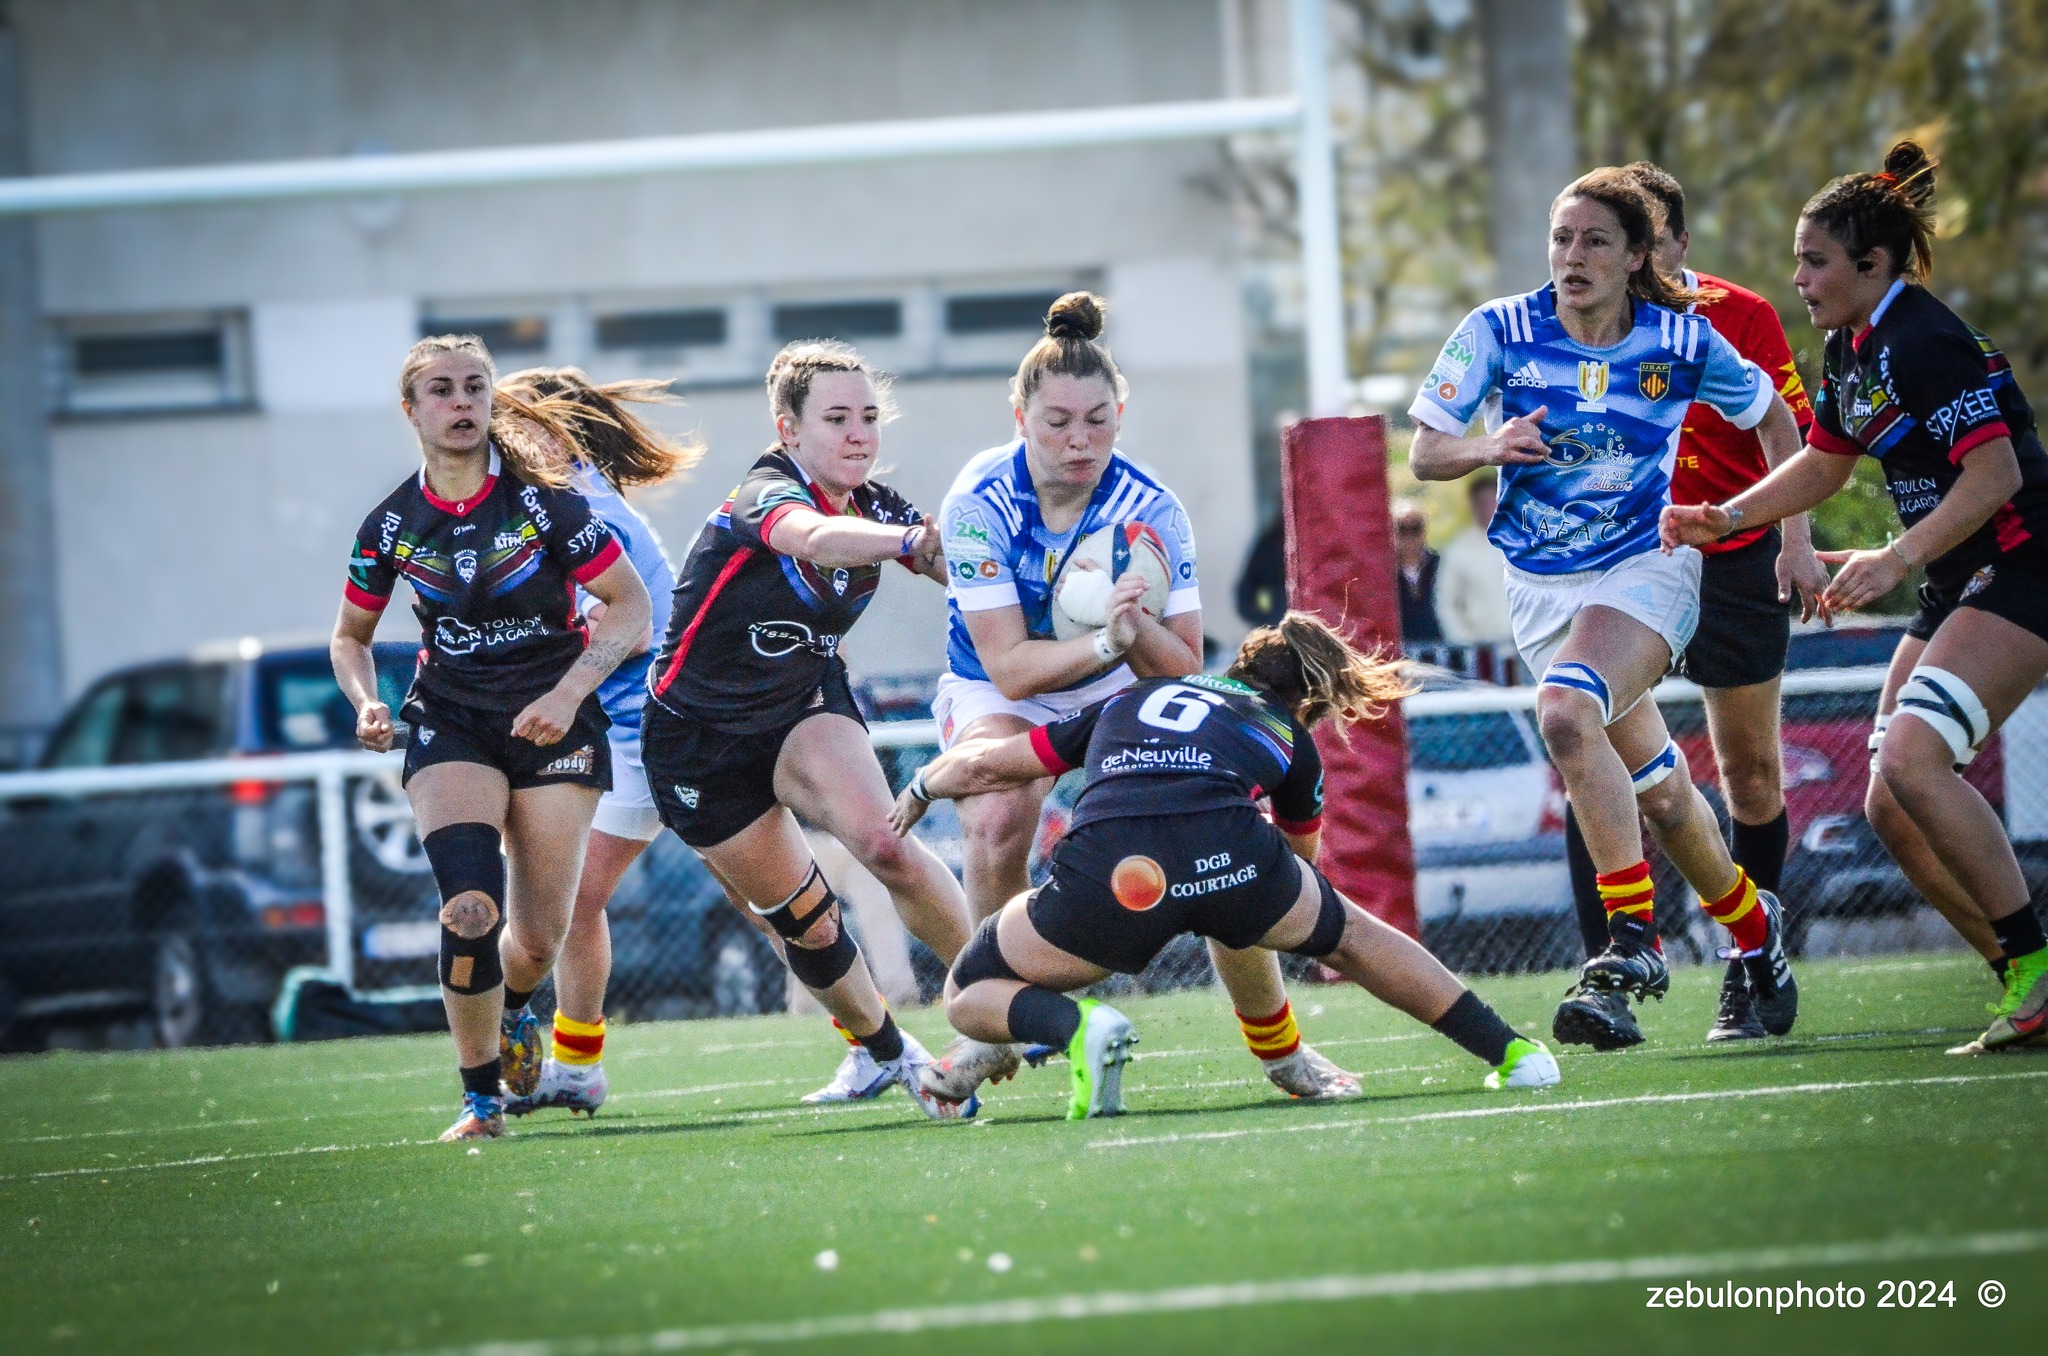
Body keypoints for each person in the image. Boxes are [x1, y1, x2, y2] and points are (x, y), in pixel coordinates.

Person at [1407, 167, 1808, 1049]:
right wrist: (1491, 446)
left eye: (1593, 241)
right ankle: (1756, 932)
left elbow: (1780, 423)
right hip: (1539, 590)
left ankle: (1632, 938)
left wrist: (1794, 538)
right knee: (1664, 797)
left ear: (1636, 256)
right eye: (1560, 238)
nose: (1571, 257)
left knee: (1564, 711)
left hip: (1646, 569)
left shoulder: (1682, 340)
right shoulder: (1496, 330)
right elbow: (1426, 454)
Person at [1662, 141, 2048, 1054]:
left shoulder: (1922, 338)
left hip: (2025, 567)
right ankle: (2022, 980)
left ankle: (2035, 968)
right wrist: (1728, 516)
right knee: (1889, 801)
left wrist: (1895, 556)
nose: (1797, 276)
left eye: (1815, 260)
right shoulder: (1854, 344)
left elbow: (1993, 475)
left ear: (1872, 265)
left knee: (1915, 762)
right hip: (1964, 578)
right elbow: (1825, 462)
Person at [929, 291, 1359, 1102]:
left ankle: (1281, 1050)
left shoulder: (1151, 507)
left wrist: (1132, 629)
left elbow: (1183, 661)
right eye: (1057, 420)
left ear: (1120, 413)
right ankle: (996, 1015)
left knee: (1226, 843)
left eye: (1097, 419)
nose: (1079, 439)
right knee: (995, 812)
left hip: (1123, 688)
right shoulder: (978, 502)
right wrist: (1107, 639)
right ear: (1017, 413)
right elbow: (1013, 670)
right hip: (999, 683)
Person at [892, 612, 1560, 1117]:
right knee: (1348, 934)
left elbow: (986, 764)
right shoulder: (1287, 733)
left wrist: (921, 789)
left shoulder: (1126, 700)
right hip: (1233, 859)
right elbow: (1300, 866)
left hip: (1114, 878)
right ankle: (1513, 1053)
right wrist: (1236, 878)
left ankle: (1077, 1027)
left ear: (1239, 664)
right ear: (1307, 700)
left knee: (969, 988)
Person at [638, 339, 977, 1120]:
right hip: (697, 739)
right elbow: (817, 540)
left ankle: (1006, 993)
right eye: (835, 419)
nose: (859, 434)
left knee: (885, 841)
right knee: (807, 922)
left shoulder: (879, 507)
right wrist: (908, 544)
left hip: (801, 710)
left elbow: (963, 569)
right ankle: (882, 1053)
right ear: (788, 430)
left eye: (867, 417)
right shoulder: (763, 494)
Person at [331, 334, 653, 1142]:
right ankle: (480, 1100)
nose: (463, 402)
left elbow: (632, 607)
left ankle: (514, 1006)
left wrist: (569, 690)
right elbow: (349, 638)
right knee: (469, 908)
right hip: (452, 721)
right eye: (442, 390)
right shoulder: (391, 525)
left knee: (538, 938)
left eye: (476, 387)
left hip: (554, 725)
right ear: (412, 411)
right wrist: (368, 702)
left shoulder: (546, 505)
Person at [1555, 161, 1833, 1049]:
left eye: (1633, 241)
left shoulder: (1735, 316)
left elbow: (1791, 432)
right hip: (1622, 568)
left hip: (1732, 560)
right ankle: (1614, 973)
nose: (1611, 262)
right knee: (1585, 738)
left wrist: (1793, 541)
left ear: (1667, 245)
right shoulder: (1564, 319)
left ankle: (1749, 967)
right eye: (1579, 239)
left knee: (1748, 771)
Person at [470, 368, 702, 1118]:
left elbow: (625, 632)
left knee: (563, 903)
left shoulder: (579, 508)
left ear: (553, 431)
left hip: (647, 732)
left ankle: (877, 1037)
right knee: (573, 905)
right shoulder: (555, 500)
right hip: (616, 731)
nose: (496, 437)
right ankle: (575, 1065)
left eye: (512, 422)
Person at [1435, 472, 1514, 648]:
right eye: (1480, 503)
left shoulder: (1522, 540)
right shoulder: (1458, 549)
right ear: (1472, 505)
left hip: (1525, 643)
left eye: (1490, 501)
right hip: (1483, 649)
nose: (1486, 508)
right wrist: (1464, 642)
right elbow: (1447, 602)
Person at [1393, 499, 1445, 643]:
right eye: (1402, 528)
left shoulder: (1442, 565)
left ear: (1424, 530)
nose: (1409, 536)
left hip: (1443, 650)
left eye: (1415, 528)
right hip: (1402, 654)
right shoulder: (1385, 574)